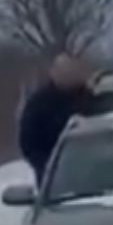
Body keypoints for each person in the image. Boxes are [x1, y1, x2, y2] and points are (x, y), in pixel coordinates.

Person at [18, 53, 95, 185]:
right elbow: (27, 142)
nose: (67, 76)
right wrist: (47, 167)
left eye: (70, 72)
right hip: (53, 177)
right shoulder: (38, 104)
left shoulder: (89, 99)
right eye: (63, 72)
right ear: (53, 74)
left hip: (92, 173)